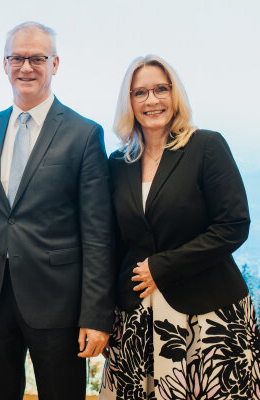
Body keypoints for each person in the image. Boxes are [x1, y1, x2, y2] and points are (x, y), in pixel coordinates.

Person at [0, 21, 114, 400]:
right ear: (5, 64)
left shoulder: (84, 133)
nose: (26, 67)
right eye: (17, 58)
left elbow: (98, 233)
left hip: (57, 303)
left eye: (37, 58)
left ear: (55, 63)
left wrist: (95, 315)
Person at [99, 54, 260, 399]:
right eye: (140, 92)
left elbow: (233, 224)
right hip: (135, 318)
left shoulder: (206, 146)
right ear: (128, 102)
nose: (152, 100)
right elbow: (111, 244)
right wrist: (103, 315)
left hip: (208, 316)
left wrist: (162, 267)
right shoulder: (117, 163)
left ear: (175, 95)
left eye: (161, 89)